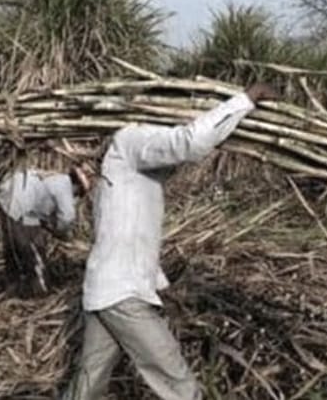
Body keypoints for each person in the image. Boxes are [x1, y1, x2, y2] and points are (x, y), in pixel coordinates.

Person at [61, 84, 278, 400]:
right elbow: (189, 143)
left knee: (86, 389)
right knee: (180, 386)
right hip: (122, 294)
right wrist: (245, 100)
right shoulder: (130, 140)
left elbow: (128, 232)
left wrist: (158, 282)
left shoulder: (120, 170)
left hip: (106, 291)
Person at [0, 164, 92, 298]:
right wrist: (62, 233)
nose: (76, 196)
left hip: (8, 198)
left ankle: (15, 287)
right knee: (34, 250)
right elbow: (67, 218)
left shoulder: (56, 178)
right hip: (22, 206)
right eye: (78, 193)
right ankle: (40, 291)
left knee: (13, 250)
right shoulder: (65, 188)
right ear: (77, 186)